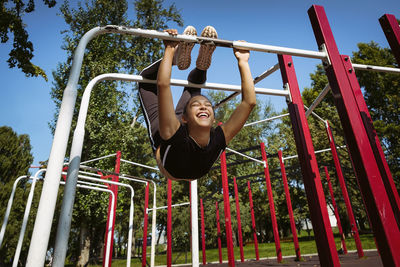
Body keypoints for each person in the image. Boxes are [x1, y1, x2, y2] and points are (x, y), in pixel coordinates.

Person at [138, 26, 255, 181]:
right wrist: (243, 61)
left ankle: (175, 58)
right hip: (183, 125)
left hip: (167, 139)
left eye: (206, 105)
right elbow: (249, 103)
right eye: (202, 105)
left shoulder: (171, 132)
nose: (203, 106)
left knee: (145, 82)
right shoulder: (218, 139)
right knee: (193, 90)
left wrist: (170, 49)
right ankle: (201, 68)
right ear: (213, 120)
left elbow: (163, 85)